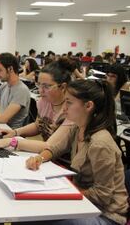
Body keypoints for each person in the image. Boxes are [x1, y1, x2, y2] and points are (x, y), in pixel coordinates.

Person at [26, 79, 128, 225]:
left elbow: (102, 195)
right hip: (86, 202)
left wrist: (63, 191)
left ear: (88, 106)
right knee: (39, 210)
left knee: (42, 217)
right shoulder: (78, 127)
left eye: (69, 102)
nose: (64, 108)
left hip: (106, 214)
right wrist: (40, 158)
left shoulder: (100, 144)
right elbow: (55, 149)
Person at [0, 60, 73, 152]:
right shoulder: (44, 101)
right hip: (47, 154)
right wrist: (15, 132)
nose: (40, 90)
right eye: (38, 85)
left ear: (63, 87)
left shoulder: (71, 110)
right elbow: (38, 125)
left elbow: (50, 145)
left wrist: (13, 141)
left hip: (64, 161)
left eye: (46, 86)